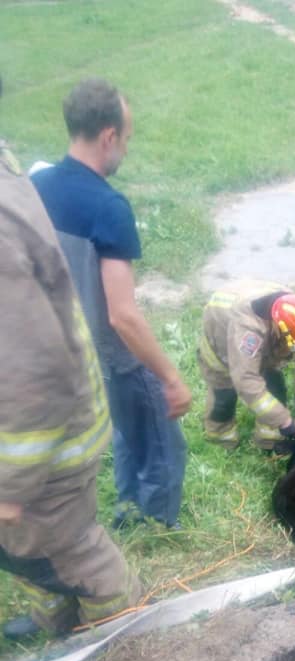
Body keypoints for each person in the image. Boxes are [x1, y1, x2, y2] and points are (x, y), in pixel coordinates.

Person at [0, 101, 142, 642]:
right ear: (110, 135)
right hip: (35, 429)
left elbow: (40, 361)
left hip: (40, 441)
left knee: (66, 542)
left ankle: (124, 628)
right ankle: (54, 615)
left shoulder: (74, 196)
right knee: (26, 544)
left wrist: (10, 483)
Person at [31, 78, 191, 530]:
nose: (125, 148)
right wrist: (172, 379)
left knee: (125, 428)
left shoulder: (36, 183)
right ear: (108, 136)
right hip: (110, 356)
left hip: (61, 348)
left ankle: (126, 508)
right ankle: (156, 528)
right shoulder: (109, 207)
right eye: (126, 138)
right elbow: (123, 316)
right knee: (163, 440)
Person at [198, 280, 295, 451]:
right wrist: (284, 420)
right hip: (220, 332)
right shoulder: (248, 329)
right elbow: (245, 380)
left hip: (263, 328)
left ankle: (269, 439)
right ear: (280, 330)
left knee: (273, 383)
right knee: (224, 394)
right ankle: (220, 441)